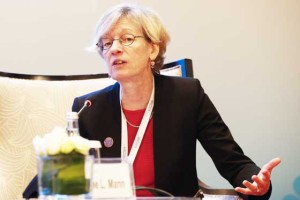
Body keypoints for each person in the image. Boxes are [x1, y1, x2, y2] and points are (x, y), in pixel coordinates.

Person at [23, 3, 281, 199]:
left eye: (126, 39)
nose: (113, 49)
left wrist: (257, 182)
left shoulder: (187, 96)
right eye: (106, 43)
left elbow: (234, 163)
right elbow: (52, 183)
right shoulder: (89, 108)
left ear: (153, 48)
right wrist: (52, 171)